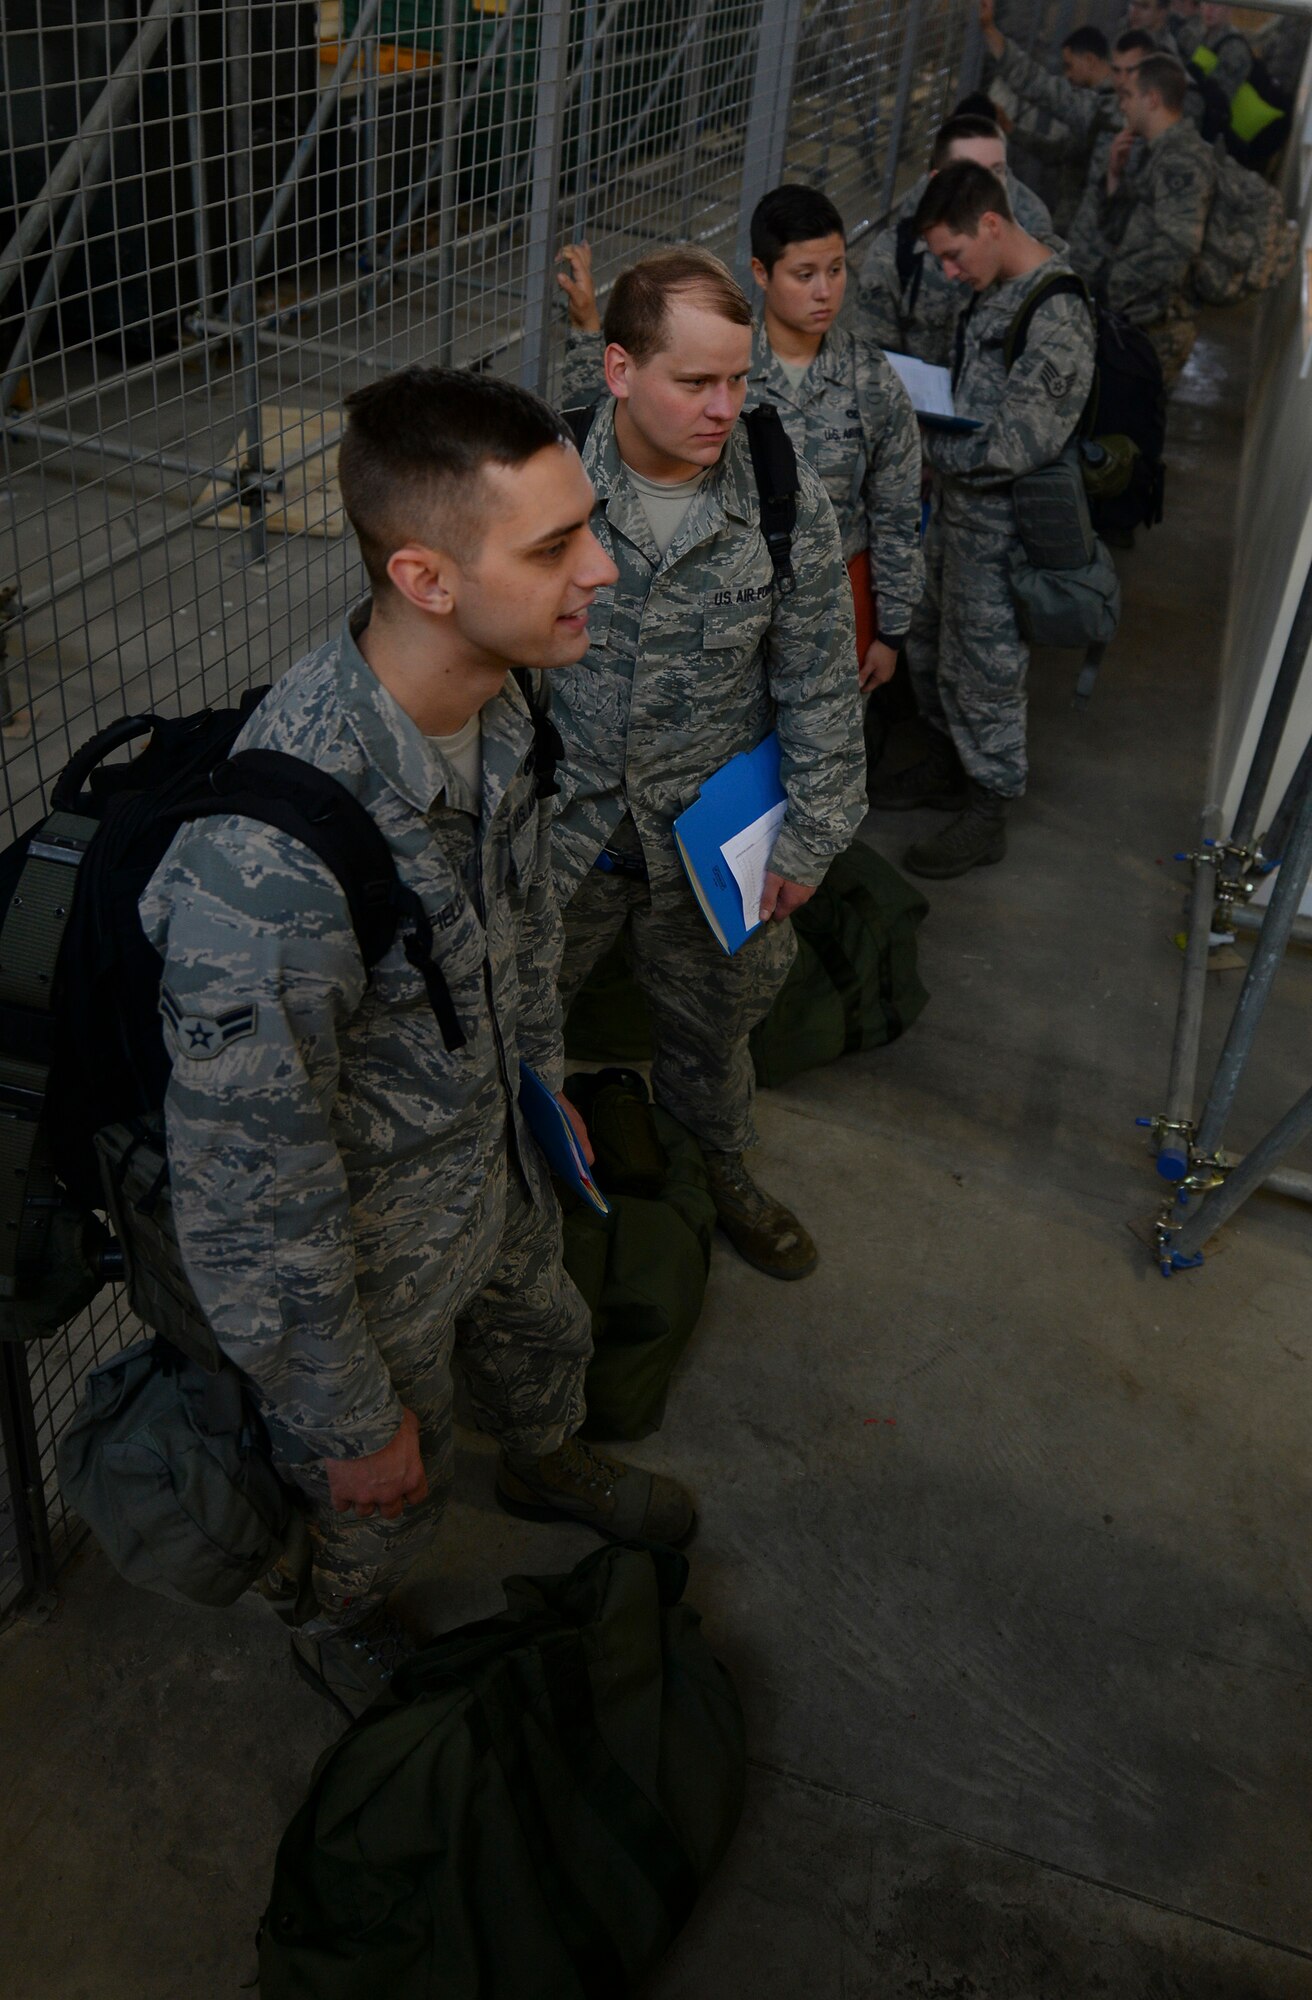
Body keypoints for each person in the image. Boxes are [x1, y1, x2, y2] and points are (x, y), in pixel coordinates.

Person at [141, 367, 696, 1718]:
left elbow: (517, 929)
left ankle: (543, 1457)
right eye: (557, 546)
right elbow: (251, 1205)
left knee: (542, 1332)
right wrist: (342, 1419)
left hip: (492, 1161)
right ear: (427, 577)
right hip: (366, 1267)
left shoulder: (498, 699)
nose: (604, 571)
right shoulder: (266, 874)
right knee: (384, 1491)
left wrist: (543, 1094)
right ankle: (340, 1618)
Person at [548, 248, 865, 1281]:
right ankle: (531, 1205)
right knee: (511, 1023)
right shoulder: (541, 489)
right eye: (694, 381)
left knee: (714, 1026)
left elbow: (817, 681)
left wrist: (813, 833)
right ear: (618, 370)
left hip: (710, 842)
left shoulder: (780, 499)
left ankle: (720, 1162)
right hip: (564, 835)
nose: (723, 406)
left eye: (738, 379)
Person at [557, 190, 925, 705]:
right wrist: (585, 332)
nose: (825, 291)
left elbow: (896, 507)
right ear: (762, 271)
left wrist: (892, 628)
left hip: (822, 593)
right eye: (804, 274)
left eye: (837, 270)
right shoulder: (713, 347)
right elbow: (601, 416)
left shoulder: (871, 380)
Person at [869, 162, 1096, 880]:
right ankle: (944, 766)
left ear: (992, 225)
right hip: (956, 518)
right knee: (934, 647)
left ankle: (987, 805)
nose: (947, 271)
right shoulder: (997, 287)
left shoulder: (1056, 314)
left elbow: (1016, 444)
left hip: (1000, 532)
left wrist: (920, 437)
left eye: (953, 254)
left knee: (988, 669)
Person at [856, 112, 1060, 368]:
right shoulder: (895, 254)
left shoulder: (1027, 253)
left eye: (997, 171)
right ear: (937, 181)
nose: (989, 188)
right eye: (969, 174)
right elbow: (872, 361)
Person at [1077, 52, 1214, 388]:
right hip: (1136, 327)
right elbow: (1120, 234)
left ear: (1152, 100)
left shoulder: (1181, 161)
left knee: (1128, 431)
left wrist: (1132, 315)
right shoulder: (1158, 153)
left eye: (1128, 96)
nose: (1122, 106)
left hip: (1153, 332)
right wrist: (1114, 176)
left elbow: (1178, 250)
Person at [979, 5, 1119, 235]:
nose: (1067, 75)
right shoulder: (1102, 109)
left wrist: (989, 30)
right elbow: (1061, 153)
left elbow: (1041, 86)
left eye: (1069, 65)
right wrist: (1012, 130)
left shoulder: (1102, 109)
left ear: (1090, 60)